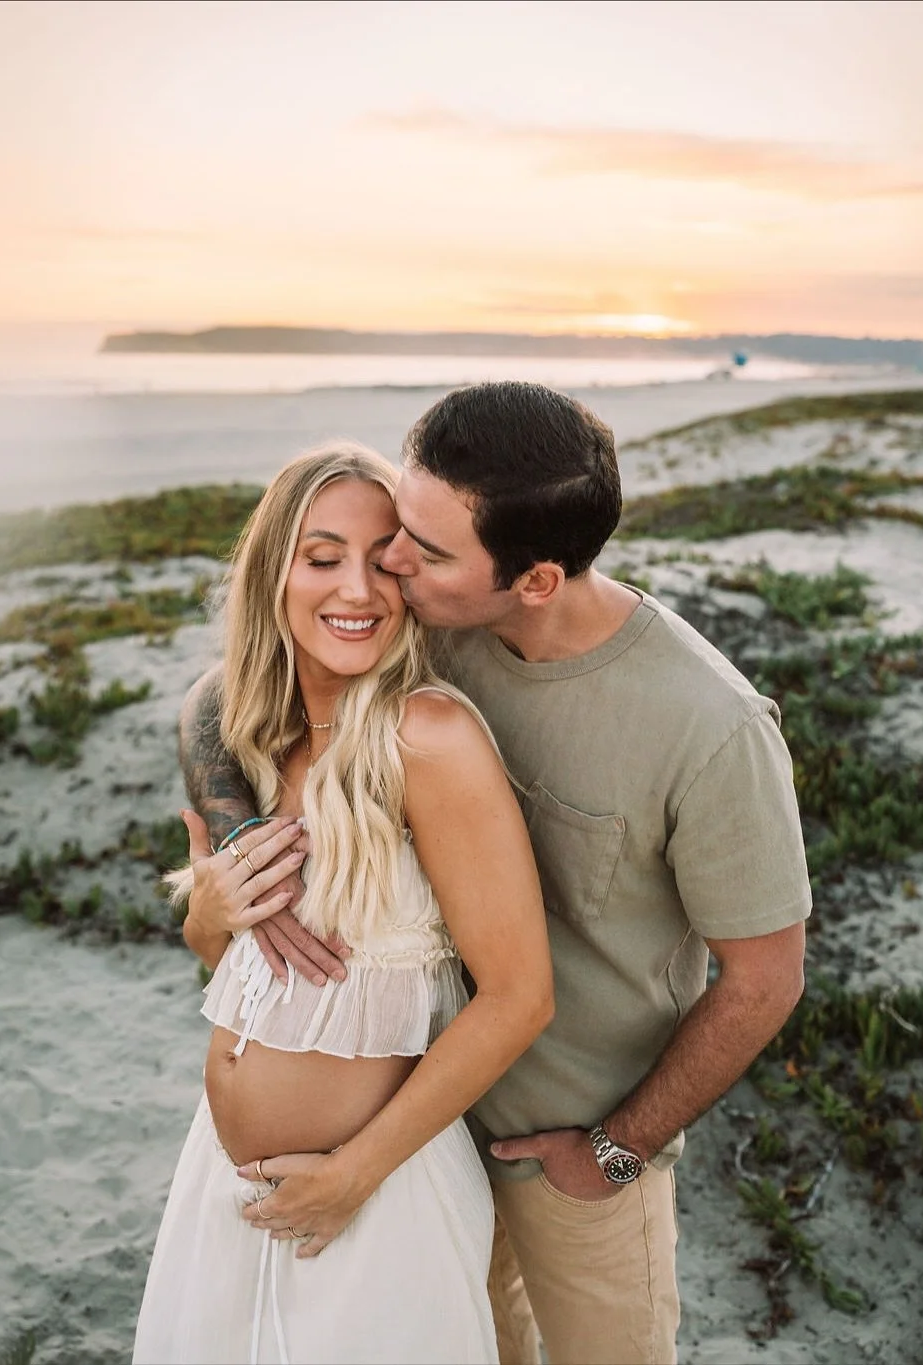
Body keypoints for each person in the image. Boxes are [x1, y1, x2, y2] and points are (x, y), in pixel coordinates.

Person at [179, 383, 812, 1365]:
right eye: (400, 528)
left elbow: (766, 980)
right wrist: (239, 843)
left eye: (423, 550)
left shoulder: (707, 728)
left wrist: (613, 1150)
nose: (390, 564)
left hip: (570, 1146)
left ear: (536, 580)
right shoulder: (428, 616)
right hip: (425, 1126)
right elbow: (225, 686)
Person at [134, 442, 554, 1365]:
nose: (356, 589)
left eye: (383, 559)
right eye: (323, 558)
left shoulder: (427, 737)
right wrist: (209, 913)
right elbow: (260, 971)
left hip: (372, 1196)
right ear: (272, 573)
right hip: (224, 1181)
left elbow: (520, 996)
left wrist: (351, 1174)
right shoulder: (260, 737)